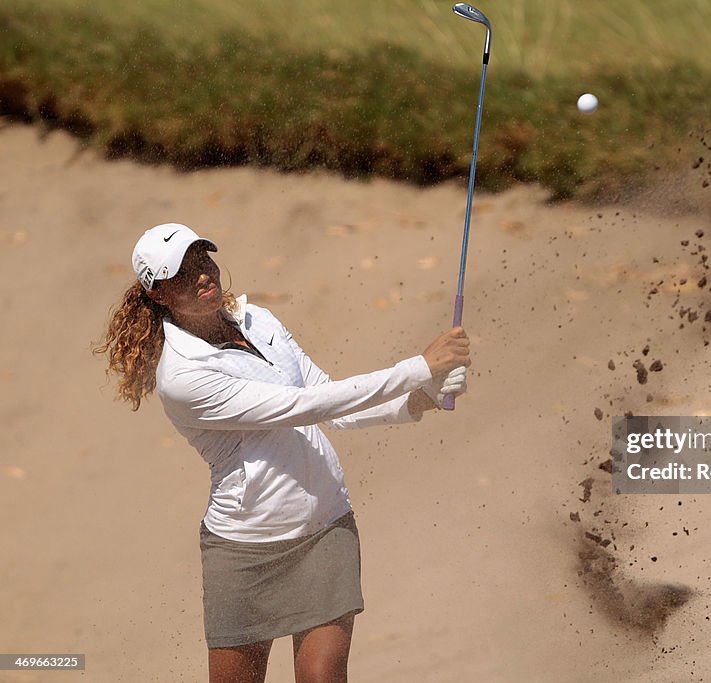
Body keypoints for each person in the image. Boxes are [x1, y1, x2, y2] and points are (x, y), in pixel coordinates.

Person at [94, 223, 471, 683]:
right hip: (245, 551)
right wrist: (418, 367)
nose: (202, 276)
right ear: (157, 294)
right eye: (183, 273)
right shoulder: (182, 378)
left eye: (203, 260)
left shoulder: (262, 321)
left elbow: (329, 402)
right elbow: (298, 408)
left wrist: (419, 399)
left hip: (326, 527)